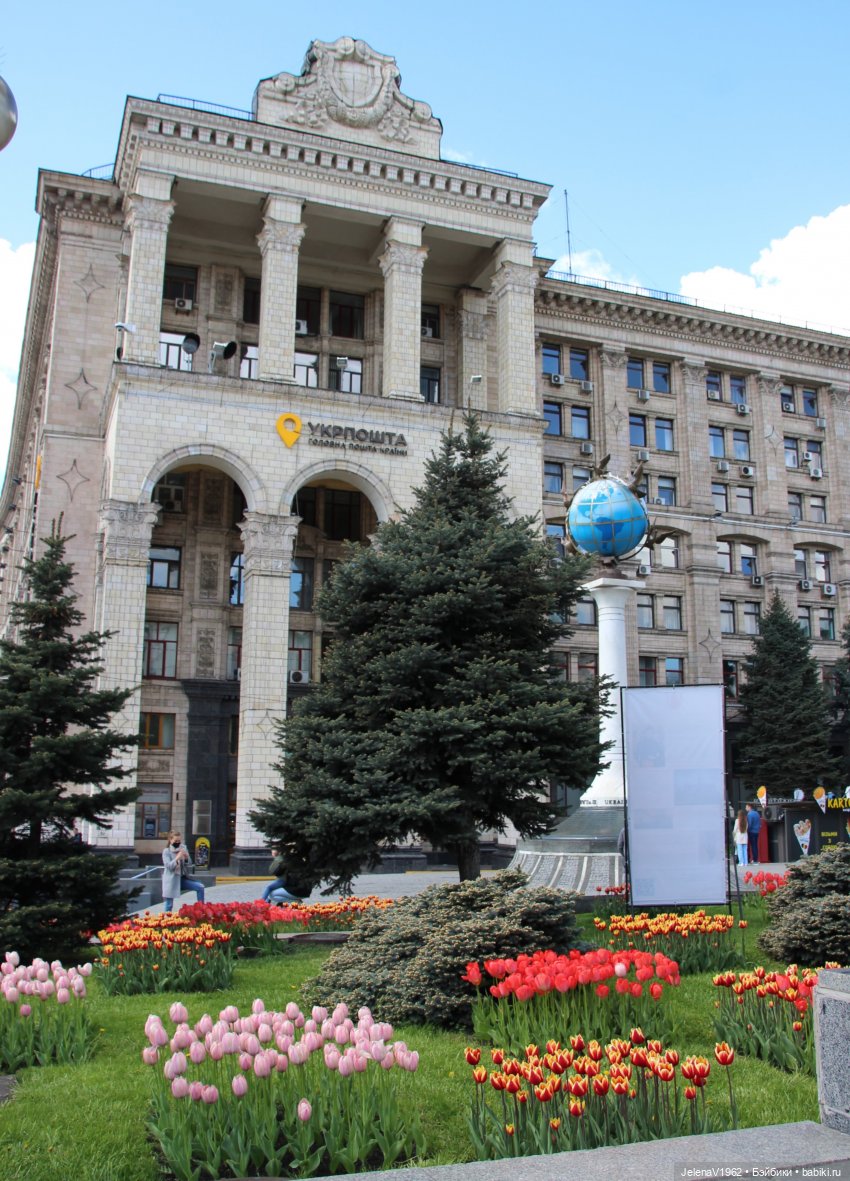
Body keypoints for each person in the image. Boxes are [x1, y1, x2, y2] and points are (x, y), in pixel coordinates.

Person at [162, 830, 205, 912]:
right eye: (175, 841)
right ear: (170, 840)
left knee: (200, 887)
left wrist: (186, 857)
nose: (177, 843)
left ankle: (201, 910)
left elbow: (190, 864)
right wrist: (177, 858)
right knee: (169, 905)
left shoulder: (183, 848)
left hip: (182, 878)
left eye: (179, 841)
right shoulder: (166, 851)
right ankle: (167, 918)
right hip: (171, 880)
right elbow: (169, 866)